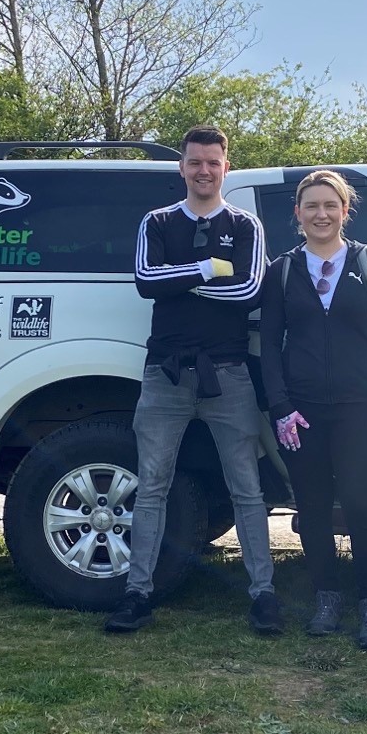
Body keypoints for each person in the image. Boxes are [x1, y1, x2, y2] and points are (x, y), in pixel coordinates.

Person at [103, 125, 279, 635]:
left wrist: (181, 282)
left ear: (227, 166)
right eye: (195, 162)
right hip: (165, 374)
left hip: (229, 375)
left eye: (213, 162)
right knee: (151, 486)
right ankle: (137, 594)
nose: (204, 171)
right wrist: (207, 267)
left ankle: (263, 594)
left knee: (247, 488)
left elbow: (249, 289)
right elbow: (144, 281)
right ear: (181, 167)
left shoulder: (246, 225)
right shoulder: (156, 222)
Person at [262, 170, 367, 650]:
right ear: (298, 214)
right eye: (312, 206)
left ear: (346, 211)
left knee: (363, 507)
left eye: (331, 205)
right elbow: (269, 347)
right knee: (314, 509)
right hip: (302, 414)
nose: (322, 214)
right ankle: (326, 597)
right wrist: (279, 406)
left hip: (359, 411)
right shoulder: (281, 270)